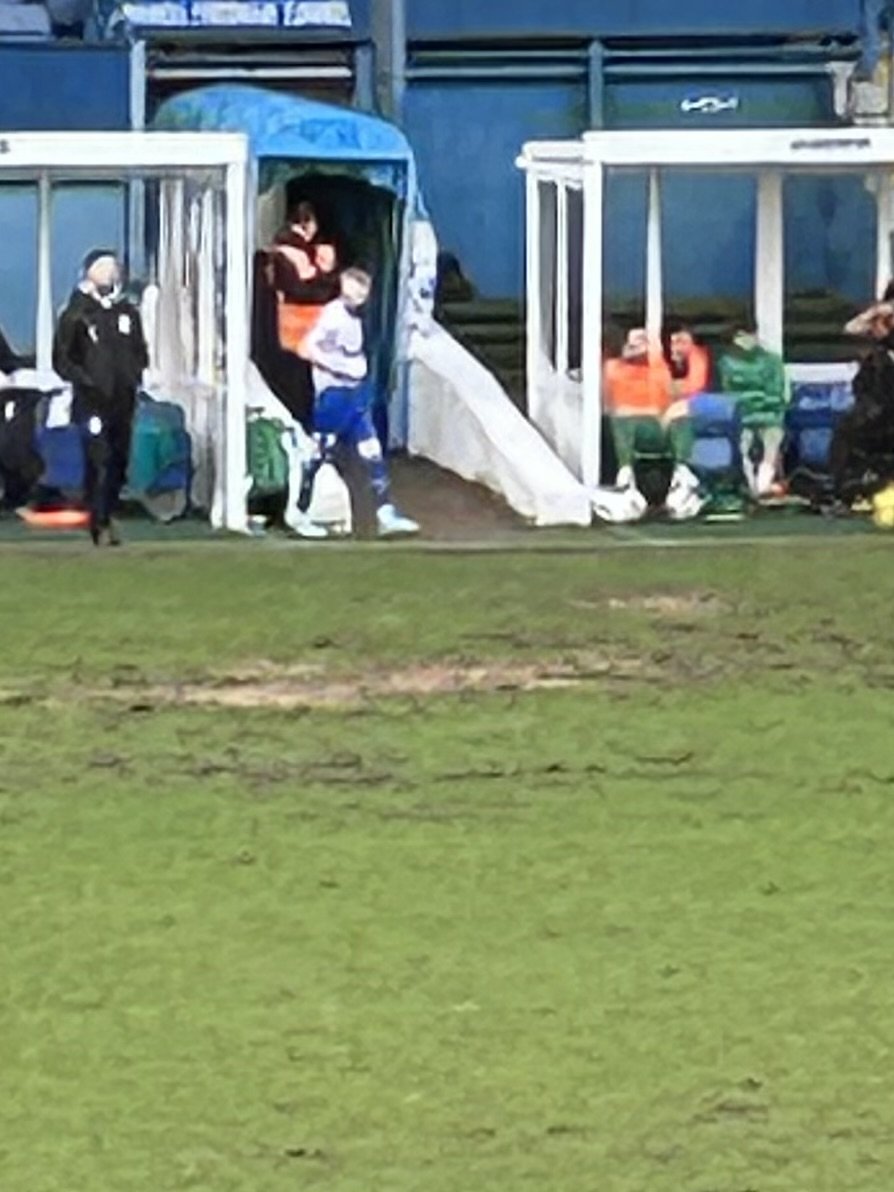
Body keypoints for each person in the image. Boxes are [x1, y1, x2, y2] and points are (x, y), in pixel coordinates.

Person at [297, 267, 419, 539]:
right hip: (334, 395)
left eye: (364, 290)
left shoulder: (353, 318)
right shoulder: (333, 315)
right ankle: (300, 511)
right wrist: (338, 369)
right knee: (320, 452)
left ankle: (385, 513)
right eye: (357, 288)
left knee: (372, 450)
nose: (362, 295)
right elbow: (307, 346)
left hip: (353, 395)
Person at [53, 249, 148, 545]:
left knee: (119, 460)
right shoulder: (76, 314)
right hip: (92, 401)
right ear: (88, 272)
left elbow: (139, 350)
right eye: (103, 267)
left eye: (113, 267)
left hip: (124, 400)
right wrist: (86, 381)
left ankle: (108, 511)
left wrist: (135, 373)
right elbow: (62, 359)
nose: (110, 272)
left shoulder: (127, 312)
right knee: (99, 458)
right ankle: (99, 522)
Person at [599, 327, 700, 520]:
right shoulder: (613, 368)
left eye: (644, 341)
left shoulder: (659, 368)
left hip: (656, 425)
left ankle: (682, 475)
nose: (640, 347)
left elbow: (670, 398)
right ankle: (625, 477)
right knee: (622, 420)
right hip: (628, 427)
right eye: (635, 342)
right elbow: (612, 407)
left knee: (682, 415)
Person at [829, 298, 894, 508]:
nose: (873, 328)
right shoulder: (878, 352)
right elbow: (851, 329)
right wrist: (873, 313)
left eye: (879, 322)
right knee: (846, 433)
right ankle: (844, 489)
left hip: (885, 414)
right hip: (876, 415)